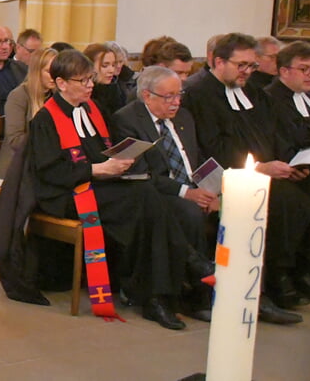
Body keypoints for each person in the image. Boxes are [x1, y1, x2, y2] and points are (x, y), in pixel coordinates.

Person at [21, 49, 201, 329]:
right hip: (64, 195)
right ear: (62, 83)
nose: (90, 85)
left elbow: (100, 151)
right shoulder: (45, 119)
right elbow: (50, 172)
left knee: (148, 204)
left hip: (98, 185)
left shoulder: (92, 111)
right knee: (145, 199)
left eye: (90, 79)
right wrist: (97, 169)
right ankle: (179, 271)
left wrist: (117, 160)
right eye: (83, 81)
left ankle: (156, 293)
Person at [183, 33, 310, 323]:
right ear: (218, 61)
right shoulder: (198, 93)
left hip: (258, 172)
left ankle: (278, 278)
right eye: (241, 65)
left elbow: (269, 133)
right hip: (219, 178)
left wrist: (287, 164)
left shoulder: (253, 91)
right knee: (283, 204)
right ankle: (259, 289)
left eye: (253, 66)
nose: (248, 72)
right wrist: (260, 169)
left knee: (300, 197)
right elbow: (208, 148)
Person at [110, 65, 219, 322]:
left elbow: (196, 159)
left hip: (192, 187)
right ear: (147, 96)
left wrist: (212, 189)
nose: (176, 102)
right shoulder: (126, 120)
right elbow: (140, 173)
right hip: (154, 192)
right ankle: (182, 292)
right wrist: (186, 193)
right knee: (188, 213)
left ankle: (228, 287)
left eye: (179, 94)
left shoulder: (184, 118)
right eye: (168, 97)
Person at [261, 40, 310, 305]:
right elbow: (280, 140)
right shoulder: (269, 99)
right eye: (304, 69)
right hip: (284, 169)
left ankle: (308, 267)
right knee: (298, 201)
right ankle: (283, 272)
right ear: (284, 71)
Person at [0, 48, 58, 178]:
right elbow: (15, 140)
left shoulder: (56, 97)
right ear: (37, 71)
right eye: (48, 71)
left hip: (47, 162)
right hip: (20, 165)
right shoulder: (19, 96)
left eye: (56, 71)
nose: (54, 76)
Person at [83, 43, 129, 115]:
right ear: (89, 66)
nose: (111, 70)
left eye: (113, 65)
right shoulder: (83, 94)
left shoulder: (118, 91)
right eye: (105, 66)